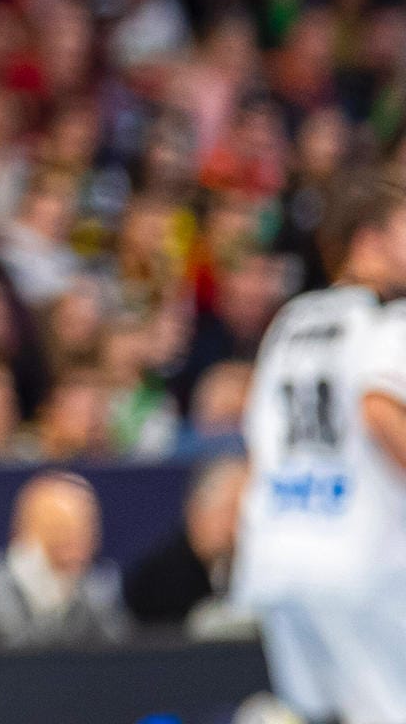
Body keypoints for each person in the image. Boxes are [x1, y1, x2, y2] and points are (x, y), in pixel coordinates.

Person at [235, 176, 406, 724]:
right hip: (359, 559)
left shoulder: (289, 321)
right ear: (369, 239)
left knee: (310, 712)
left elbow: (259, 442)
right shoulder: (388, 320)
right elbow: (379, 407)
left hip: (277, 552)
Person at [0, 472, 126, 647]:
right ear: (28, 531)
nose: (76, 542)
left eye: (84, 530)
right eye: (60, 529)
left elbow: (119, 655)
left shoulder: (95, 591)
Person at [122, 455, 248, 629]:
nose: (237, 527)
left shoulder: (255, 572)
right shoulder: (157, 580)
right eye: (229, 512)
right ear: (196, 511)